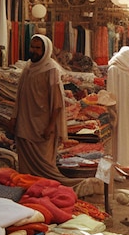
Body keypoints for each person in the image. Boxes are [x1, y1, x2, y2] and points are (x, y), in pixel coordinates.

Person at [8, 34, 101, 195]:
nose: (34, 51)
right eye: (32, 47)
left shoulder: (51, 70)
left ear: (45, 50)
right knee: (26, 168)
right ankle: (31, 192)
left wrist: (50, 126)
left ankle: (71, 187)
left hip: (42, 126)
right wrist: (14, 118)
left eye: (38, 48)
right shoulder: (28, 67)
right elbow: (19, 96)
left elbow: (57, 104)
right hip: (24, 124)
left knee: (46, 168)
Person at [106, 46, 129, 170]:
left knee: (125, 136)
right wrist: (113, 110)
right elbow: (112, 92)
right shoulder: (115, 69)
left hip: (126, 109)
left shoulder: (126, 70)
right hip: (121, 109)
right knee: (122, 136)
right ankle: (121, 166)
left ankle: (127, 165)